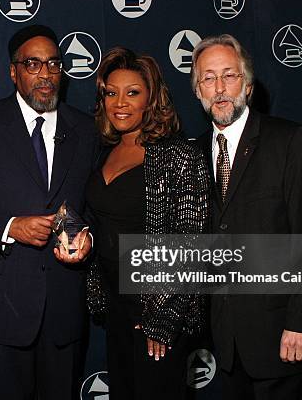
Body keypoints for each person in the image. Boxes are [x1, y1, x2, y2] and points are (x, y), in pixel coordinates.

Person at [0, 25, 96, 400]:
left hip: (64, 307)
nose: (45, 74)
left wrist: (89, 236)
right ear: (13, 72)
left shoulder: (87, 129)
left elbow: (96, 205)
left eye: (53, 64)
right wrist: (11, 227)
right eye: (33, 64)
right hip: (4, 306)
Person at [192, 34, 302, 399]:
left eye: (229, 75)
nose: (219, 88)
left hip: (283, 337)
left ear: (248, 85)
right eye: (208, 78)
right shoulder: (194, 153)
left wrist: (301, 322)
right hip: (228, 342)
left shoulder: (288, 141)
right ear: (197, 90)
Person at [85, 47, 210, 399]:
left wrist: (165, 316)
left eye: (132, 93)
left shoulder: (179, 156)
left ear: (151, 99)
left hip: (157, 308)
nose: (120, 103)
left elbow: (192, 246)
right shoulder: (103, 151)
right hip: (114, 306)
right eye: (111, 93)